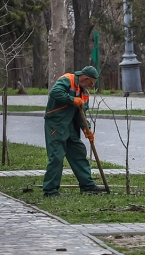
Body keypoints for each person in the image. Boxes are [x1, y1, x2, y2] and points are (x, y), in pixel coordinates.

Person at [42, 66, 102, 197]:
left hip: (70, 126)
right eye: (91, 83)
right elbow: (55, 92)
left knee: (78, 152)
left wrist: (87, 130)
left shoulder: (85, 93)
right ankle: (50, 190)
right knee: (57, 156)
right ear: (85, 78)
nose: (91, 86)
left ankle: (87, 185)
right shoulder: (67, 80)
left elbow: (82, 115)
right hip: (56, 125)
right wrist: (72, 100)